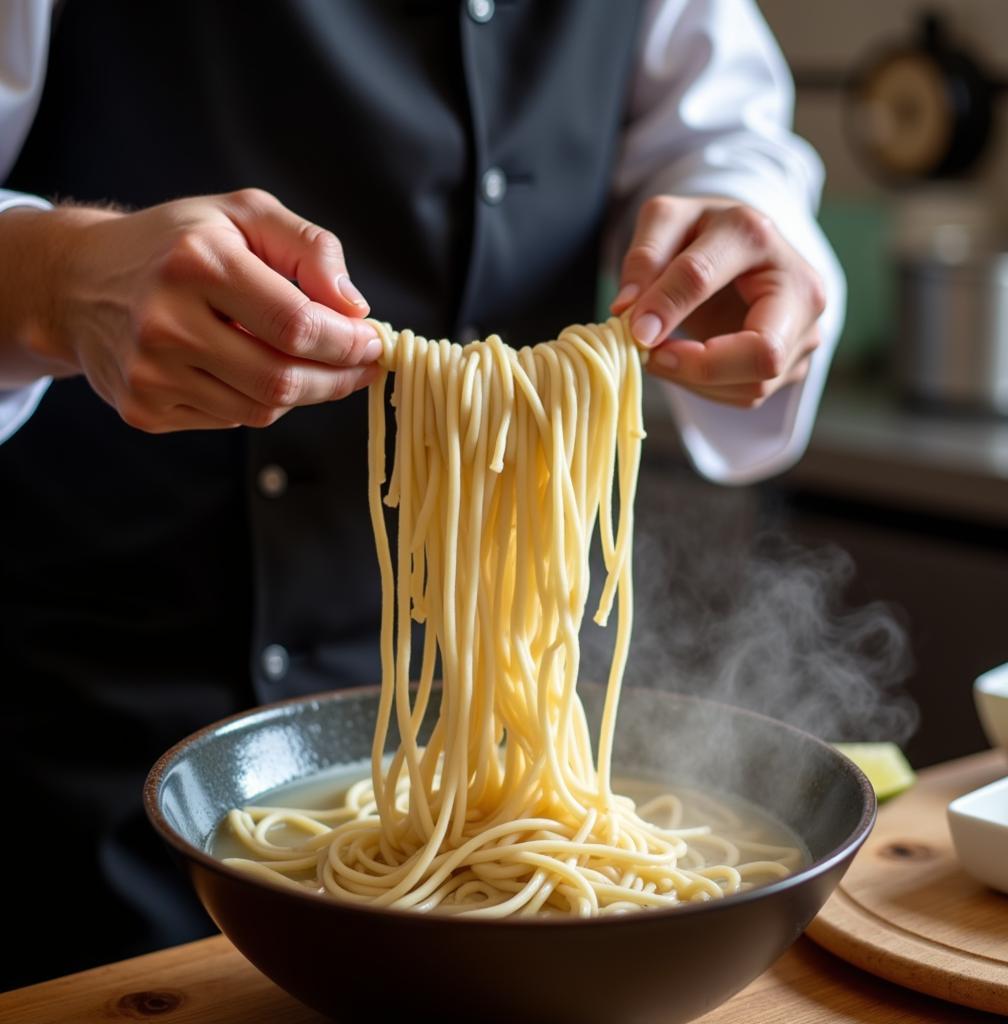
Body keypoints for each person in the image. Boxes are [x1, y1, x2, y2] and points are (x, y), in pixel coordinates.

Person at [0, 0, 844, 989]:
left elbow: (712, 125)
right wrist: (53, 279)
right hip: (100, 730)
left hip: (535, 726)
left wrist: (737, 228)